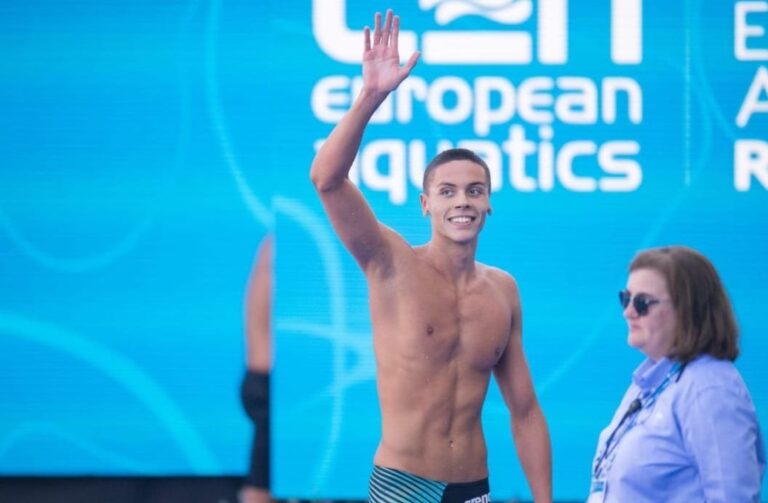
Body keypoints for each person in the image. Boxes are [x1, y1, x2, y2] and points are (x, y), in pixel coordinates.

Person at [310, 9, 552, 502]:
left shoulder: (503, 290)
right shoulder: (391, 262)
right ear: (426, 205)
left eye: (473, 190)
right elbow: (326, 179)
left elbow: (523, 409)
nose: (461, 200)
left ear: (489, 203)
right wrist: (371, 96)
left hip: (474, 487)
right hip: (404, 485)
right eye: (446, 191)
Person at [588, 245, 766, 503]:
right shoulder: (646, 384)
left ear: (687, 308)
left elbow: (732, 497)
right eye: (626, 299)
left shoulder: (710, 390)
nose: (627, 312)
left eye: (642, 303)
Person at [240, 236, 273, 503]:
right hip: (274, 384)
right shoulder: (287, 243)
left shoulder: (272, 243)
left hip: (263, 377)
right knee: (261, 490)